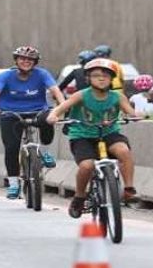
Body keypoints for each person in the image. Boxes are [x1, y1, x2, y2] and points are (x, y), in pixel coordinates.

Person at [46, 58, 142, 219]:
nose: (101, 78)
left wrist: (137, 115)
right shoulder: (81, 95)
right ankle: (80, 197)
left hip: (109, 133)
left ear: (112, 78)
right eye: (96, 75)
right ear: (88, 78)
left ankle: (129, 190)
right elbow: (60, 108)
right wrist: (53, 116)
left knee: (124, 151)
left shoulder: (118, 97)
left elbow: (131, 112)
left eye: (106, 75)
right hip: (83, 135)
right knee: (87, 166)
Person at [0, 46, 65, 200]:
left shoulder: (42, 74)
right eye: (22, 59)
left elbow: (56, 92)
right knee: (11, 147)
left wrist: (60, 108)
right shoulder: (6, 76)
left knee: (48, 119)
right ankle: (14, 183)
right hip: (10, 112)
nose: (26, 62)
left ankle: (45, 151)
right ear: (16, 60)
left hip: (37, 110)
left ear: (35, 62)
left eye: (30, 60)